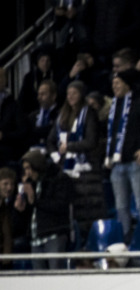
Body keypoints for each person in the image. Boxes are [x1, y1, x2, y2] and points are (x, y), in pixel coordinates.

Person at [105, 71, 140, 236]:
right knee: (120, 207)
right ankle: (125, 239)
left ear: (127, 84)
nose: (114, 86)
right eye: (113, 83)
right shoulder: (114, 106)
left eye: (118, 83)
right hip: (117, 164)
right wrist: (108, 155)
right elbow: (111, 133)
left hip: (136, 164)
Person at [46, 80, 105, 233]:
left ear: (82, 95)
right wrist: (56, 157)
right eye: (68, 93)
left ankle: (89, 238)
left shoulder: (89, 113)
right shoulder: (62, 114)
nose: (71, 96)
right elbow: (51, 140)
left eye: (74, 93)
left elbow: (91, 141)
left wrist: (69, 147)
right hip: (66, 168)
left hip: (86, 171)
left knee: (88, 210)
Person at [17, 150, 74, 271]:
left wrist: (35, 200)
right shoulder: (32, 183)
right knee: (39, 281)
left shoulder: (60, 179)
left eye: (28, 168)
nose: (27, 172)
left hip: (54, 235)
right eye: (25, 169)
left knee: (56, 277)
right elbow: (32, 210)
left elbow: (60, 206)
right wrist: (21, 208)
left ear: (36, 165)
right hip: (35, 238)